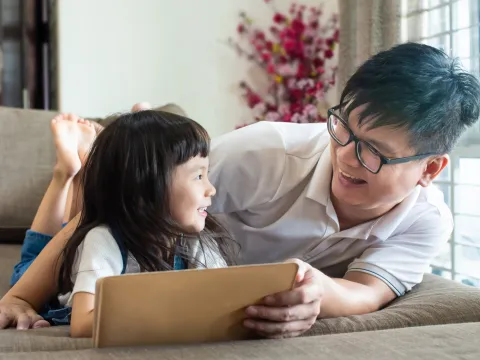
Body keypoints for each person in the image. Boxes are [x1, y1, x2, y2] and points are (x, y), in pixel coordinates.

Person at [1, 42, 480, 339]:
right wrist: (19, 296)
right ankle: (79, 166)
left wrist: (318, 292)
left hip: (196, 273)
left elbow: (366, 292)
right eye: (344, 129)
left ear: (430, 169)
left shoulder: (428, 222)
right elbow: (118, 211)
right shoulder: (265, 151)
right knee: (83, 207)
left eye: (374, 150)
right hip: (145, 246)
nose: (348, 156)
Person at [1, 109, 235, 338]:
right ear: (147, 186)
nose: (211, 189)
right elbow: (83, 323)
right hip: (60, 280)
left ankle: (90, 163)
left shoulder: (198, 243)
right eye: (198, 176)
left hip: (106, 228)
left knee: (81, 227)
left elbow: (224, 300)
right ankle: (68, 173)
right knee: (36, 259)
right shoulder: (103, 238)